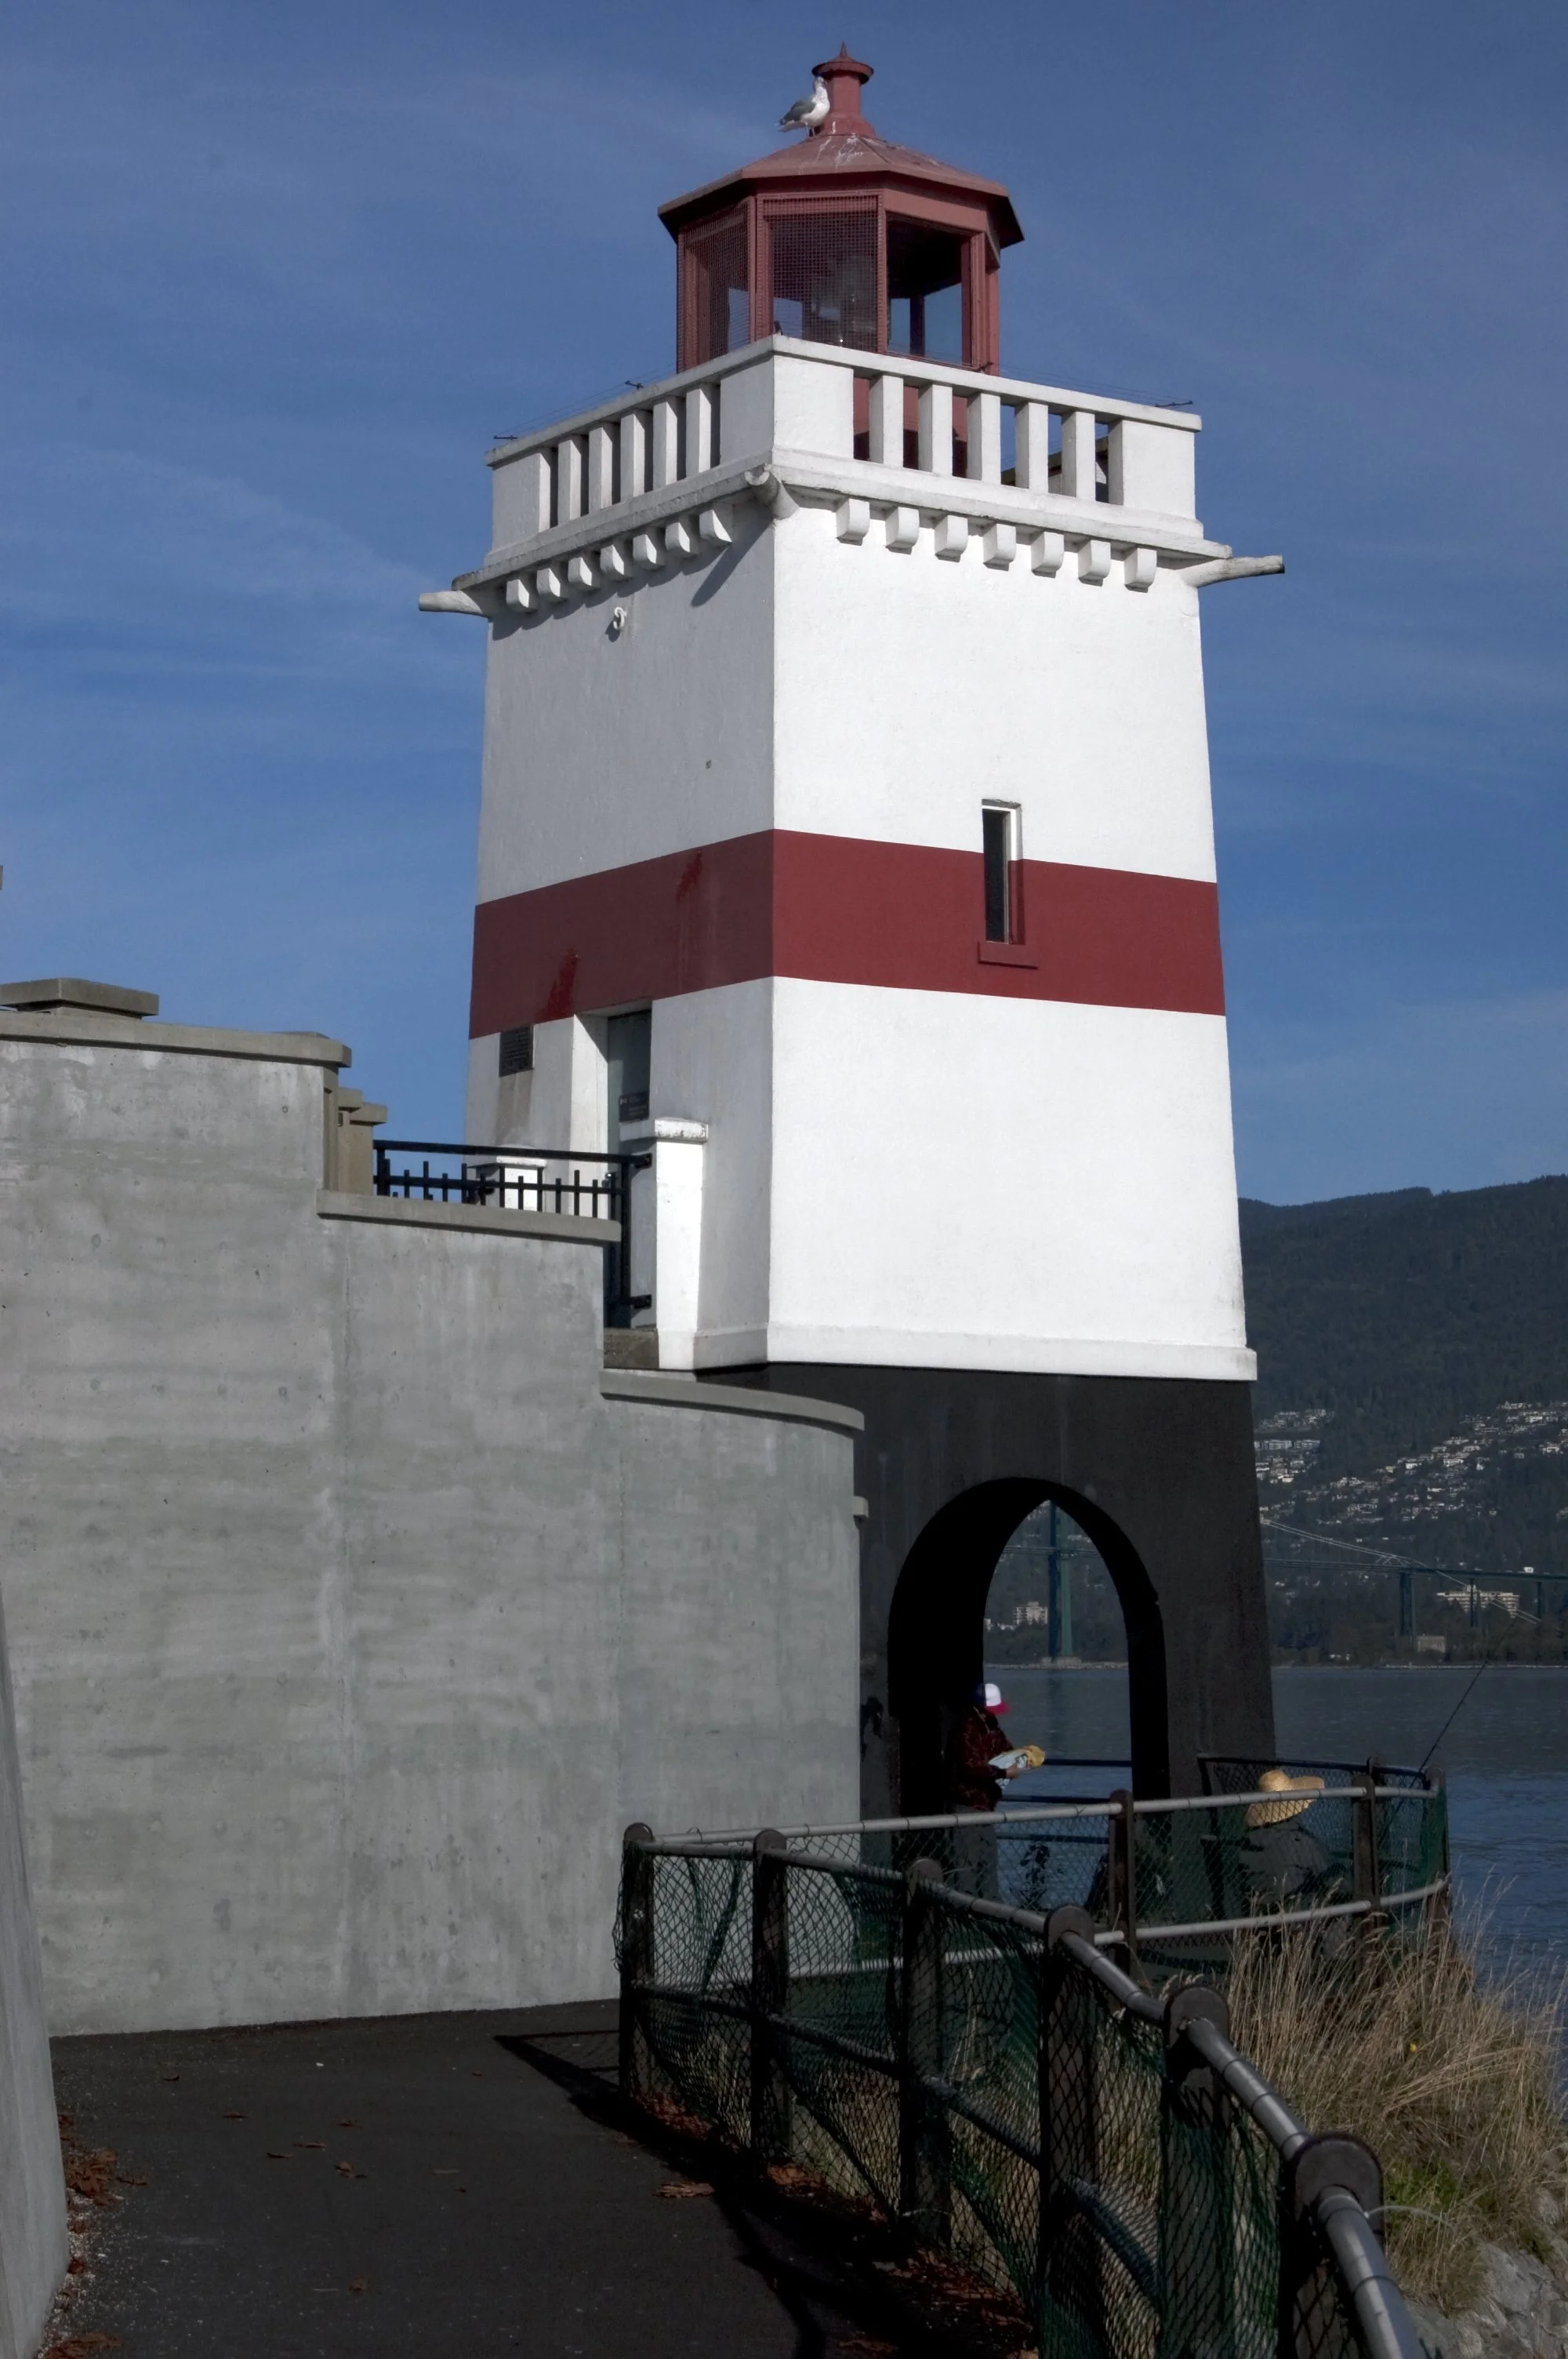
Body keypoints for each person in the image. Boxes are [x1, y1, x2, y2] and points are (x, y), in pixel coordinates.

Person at [1239, 1768, 1336, 1906]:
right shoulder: (1301, 1843)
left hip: (1258, 1918)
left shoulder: (1248, 1844)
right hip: (1298, 1919)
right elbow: (1337, 1880)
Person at [949, 1681, 1029, 1814]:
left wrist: (1020, 1755)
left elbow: (1003, 1745)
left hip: (986, 1799)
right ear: (979, 1708)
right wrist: (1004, 1773)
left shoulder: (990, 1724)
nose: (993, 1714)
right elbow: (970, 1766)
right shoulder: (965, 1729)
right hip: (968, 1800)